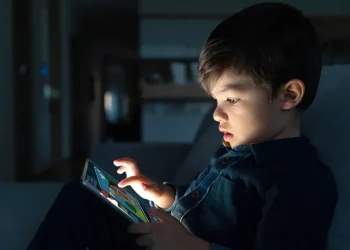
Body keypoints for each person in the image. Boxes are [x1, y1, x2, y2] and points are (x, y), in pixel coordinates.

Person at [28, 2, 338, 250]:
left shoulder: (301, 179)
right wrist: (162, 194)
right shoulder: (237, 151)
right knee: (81, 196)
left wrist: (192, 247)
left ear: (288, 95)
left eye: (231, 100)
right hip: (167, 234)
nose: (217, 115)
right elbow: (202, 204)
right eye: (215, 101)